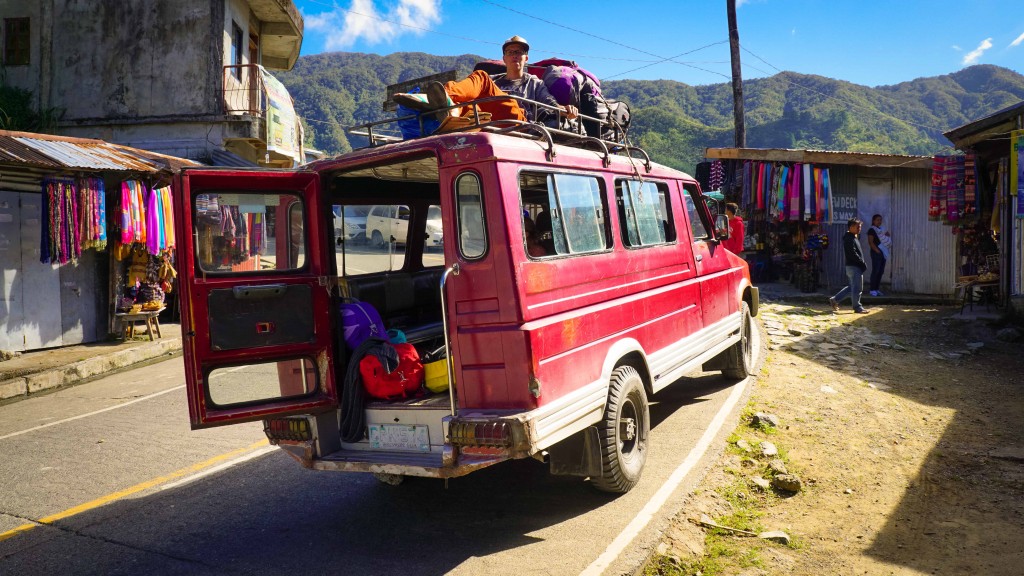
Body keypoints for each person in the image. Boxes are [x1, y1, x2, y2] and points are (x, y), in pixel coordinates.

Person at [394, 35, 578, 128]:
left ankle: (438, 102)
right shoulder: (495, 80)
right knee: (469, 89)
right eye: (510, 52)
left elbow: (550, 105)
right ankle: (448, 105)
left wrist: (566, 110)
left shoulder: (534, 83)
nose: (515, 56)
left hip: (518, 121)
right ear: (504, 58)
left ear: (526, 58)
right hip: (486, 120)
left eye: (519, 52)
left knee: (481, 78)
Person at [829, 218, 869, 314]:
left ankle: (835, 299)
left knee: (851, 287)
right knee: (857, 288)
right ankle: (857, 307)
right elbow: (852, 253)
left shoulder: (852, 237)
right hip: (854, 266)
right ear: (851, 227)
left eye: (860, 227)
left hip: (852, 266)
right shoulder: (849, 238)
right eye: (857, 227)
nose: (859, 228)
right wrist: (861, 263)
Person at [866, 213, 892, 296]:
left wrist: (887, 235)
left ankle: (876, 289)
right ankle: (872, 289)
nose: (879, 221)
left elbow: (887, 235)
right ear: (873, 221)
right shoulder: (872, 230)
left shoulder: (882, 229)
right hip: (876, 253)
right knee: (875, 271)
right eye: (877, 220)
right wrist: (877, 251)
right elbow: (871, 242)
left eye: (880, 220)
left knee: (881, 271)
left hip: (883, 252)